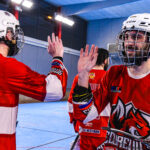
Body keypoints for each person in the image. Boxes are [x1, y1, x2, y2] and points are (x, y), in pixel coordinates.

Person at [72, 13, 150, 150]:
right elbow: (85, 116)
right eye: (126, 37)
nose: (129, 43)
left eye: (137, 37)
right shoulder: (114, 73)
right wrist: (84, 76)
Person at [0, 10, 68, 150]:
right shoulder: (8, 67)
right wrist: (57, 58)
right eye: (14, 33)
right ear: (7, 34)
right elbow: (55, 90)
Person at [68, 48, 110, 149]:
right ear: (105, 61)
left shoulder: (80, 77)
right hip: (104, 130)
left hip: (84, 128)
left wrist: (75, 122)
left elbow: (71, 103)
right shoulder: (110, 77)